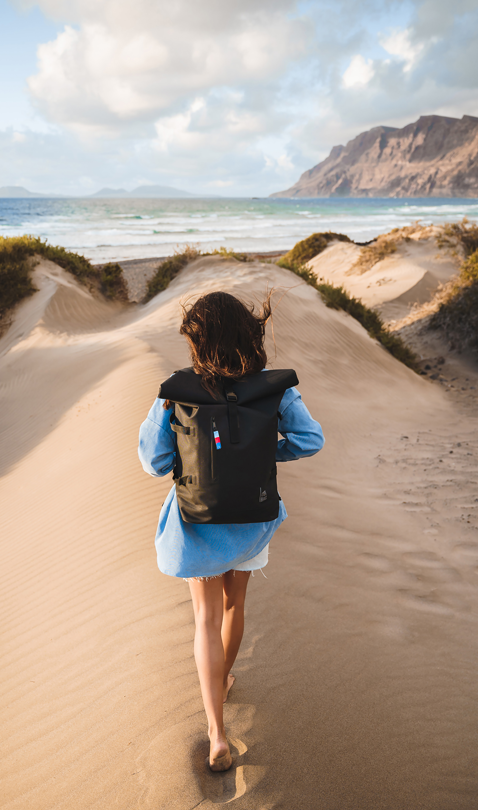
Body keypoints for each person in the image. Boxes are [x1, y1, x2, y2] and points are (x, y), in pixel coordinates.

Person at [137, 291, 324, 772]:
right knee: (236, 603)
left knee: (204, 620)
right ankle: (222, 677)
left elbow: (153, 462)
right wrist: (262, 458)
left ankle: (217, 734)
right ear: (249, 331)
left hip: (198, 522)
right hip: (253, 518)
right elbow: (310, 441)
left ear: (196, 340)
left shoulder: (176, 391)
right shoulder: (276, 389)